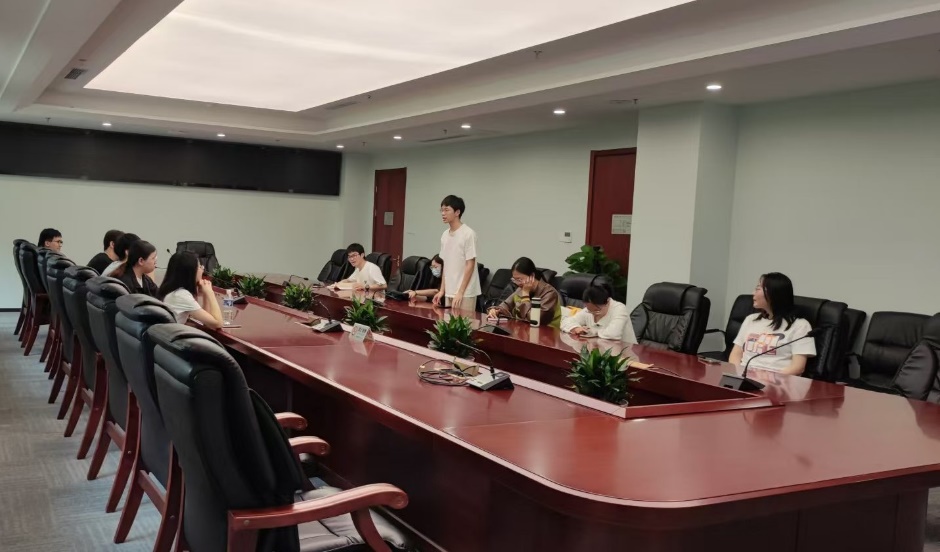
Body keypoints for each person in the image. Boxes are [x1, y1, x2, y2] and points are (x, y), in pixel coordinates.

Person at [729, 272, 816, 375]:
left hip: (778, 381)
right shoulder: (751, 319)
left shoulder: (800, 325)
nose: (753, 293)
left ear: (773, 293)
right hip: (744, 377)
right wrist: (738, 375)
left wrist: (770, 380)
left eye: (758, 289)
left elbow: (798, 367)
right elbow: (735, 355)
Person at [433, 195, 481, 310]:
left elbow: (470, 264)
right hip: (449, 290)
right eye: (441, 210)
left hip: (465, 292)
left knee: (463, 322)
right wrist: (442, 290)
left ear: (457, 212)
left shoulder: (468, 234)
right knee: (447, 321)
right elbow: (445, 265)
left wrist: (460, 292)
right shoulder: (445, 235)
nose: (443, 213)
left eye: (446, 210)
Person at [487, 257, 562, 327]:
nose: (517, 283)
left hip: (545, 334)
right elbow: (506, 305)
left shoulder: (549, 293)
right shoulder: (520, 289)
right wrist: (495, 310)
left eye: (519, 279)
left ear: (532, 275)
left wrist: (525, 295)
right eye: (514, 279)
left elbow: (534, 320)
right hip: (523, 331)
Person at [157, 252, 223, 328]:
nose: (202, 269)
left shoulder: (171, 289)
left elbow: (207, 322)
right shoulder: (181, 295)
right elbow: (218, 323)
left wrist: (205, 294)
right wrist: (210, 293)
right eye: (200, 267)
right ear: (191, 272)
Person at [560, 285, 637, 343]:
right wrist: (575, 328)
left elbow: (614, 334)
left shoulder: (619, 309)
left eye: (597, 310)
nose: (593, 314)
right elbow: (565, 321)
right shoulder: (588, 310)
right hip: (598, 351)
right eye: (589, 310)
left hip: (624, 354)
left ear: (607, 302)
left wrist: (592, 332)